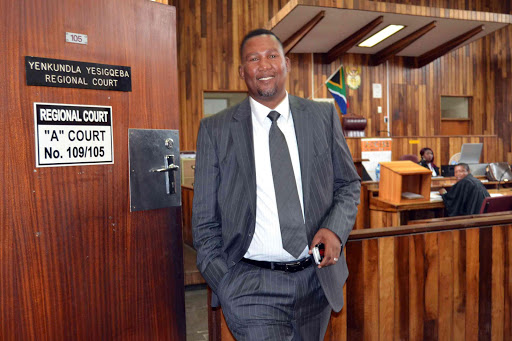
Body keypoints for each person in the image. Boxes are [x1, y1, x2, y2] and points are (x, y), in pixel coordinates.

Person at [192, 29, 361, 340]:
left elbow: (348, 185)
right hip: (250, 286)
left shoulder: (322, 116)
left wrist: (335, 229)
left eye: (272, 56)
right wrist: (226, 283)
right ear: (242, 72)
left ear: (287, 63)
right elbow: (204, 221)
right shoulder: (216, 130)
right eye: (253, 59)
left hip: (315, 280)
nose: (264, 65)